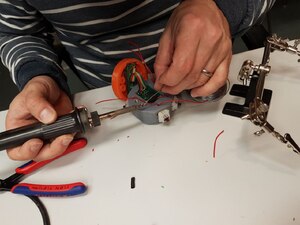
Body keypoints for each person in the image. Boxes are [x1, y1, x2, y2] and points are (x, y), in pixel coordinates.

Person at [0, 0, 275, 161]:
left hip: (214, 72)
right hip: (104, 91)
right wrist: (38, 75)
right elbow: (15, 33)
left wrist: (221, 10)